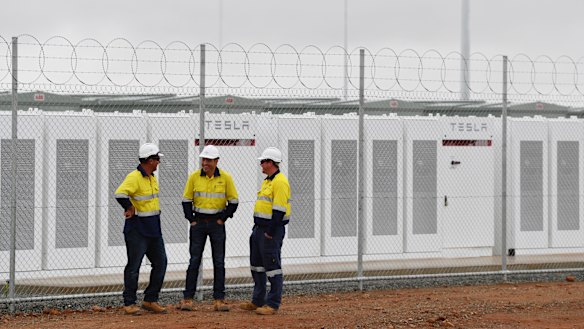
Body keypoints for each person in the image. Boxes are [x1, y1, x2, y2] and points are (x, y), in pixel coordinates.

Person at [179, 145, 239, 312]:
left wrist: (223, 218)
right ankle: (187, 299)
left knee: (219, 262)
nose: (205, 163)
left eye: (208, 160)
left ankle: (219, 299)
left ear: (216, 161)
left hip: (216, 224)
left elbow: (234, 201)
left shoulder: (226, 178)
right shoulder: (194, 177)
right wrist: (191, 219)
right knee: (194, 261)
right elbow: (186, 200)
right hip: (198, 223)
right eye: (203, 160)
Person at [115, 143, 168, 315]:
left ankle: (150, 299)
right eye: (157, 159)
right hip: (137, 230)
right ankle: (129, 303)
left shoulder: (152, 177)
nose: (159, 162)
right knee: (134, 267)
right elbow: (120, 193)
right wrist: (129, 207)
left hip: (153, 229)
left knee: (161, 263)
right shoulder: (134, 177)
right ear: (149, 160)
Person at [240, 147, 291, 315]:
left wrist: (270, 231)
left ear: (270, 163)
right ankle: (258, 300)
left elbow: (279, 210)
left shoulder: (280, 182)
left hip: (271, 231)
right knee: (257, 267)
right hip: (259, 229)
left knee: (272, 267)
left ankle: (273, 303)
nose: (261, 164)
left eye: (263, 161)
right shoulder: (268, 181)